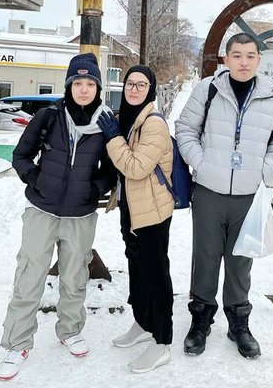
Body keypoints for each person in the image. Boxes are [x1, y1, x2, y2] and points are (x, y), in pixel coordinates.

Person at [175, 33, 273, 359]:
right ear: (225, 59)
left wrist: (265, 171)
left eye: (250, 56)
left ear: (259, 60)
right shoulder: (208, 89)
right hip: (210, 192)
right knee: (206, 258)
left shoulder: (272, 96)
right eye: (237, 55)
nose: (244, 62)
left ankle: (238, 324)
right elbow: (185, 128)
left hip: (248, 195)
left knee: (241, 261)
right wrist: (201, 164)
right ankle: (200, 321)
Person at [0, 53, 116, 381]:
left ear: (98, 88)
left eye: (90, 83)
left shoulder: (106, 123)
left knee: (75, 274)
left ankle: (70, 330)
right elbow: (21, 155)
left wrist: (96, 188)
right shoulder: (49, 117)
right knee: (29, 274)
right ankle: (17, 343)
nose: (83, 89)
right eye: (77, 83)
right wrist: (34, 179)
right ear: (69, 86)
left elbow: (113, 168)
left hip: (81, 213)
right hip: (41, 210)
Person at [97, 65, 174, 374]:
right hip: (132, 208)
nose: (134, 89)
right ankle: (142, 323)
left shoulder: (153, 124)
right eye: (130, 83)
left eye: (142, 85)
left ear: (150, 89)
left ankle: (162, 341)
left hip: (153, 211)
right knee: (136, 267)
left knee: (155, 273)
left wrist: (113, 138)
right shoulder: (127, 119)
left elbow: (136, 168)